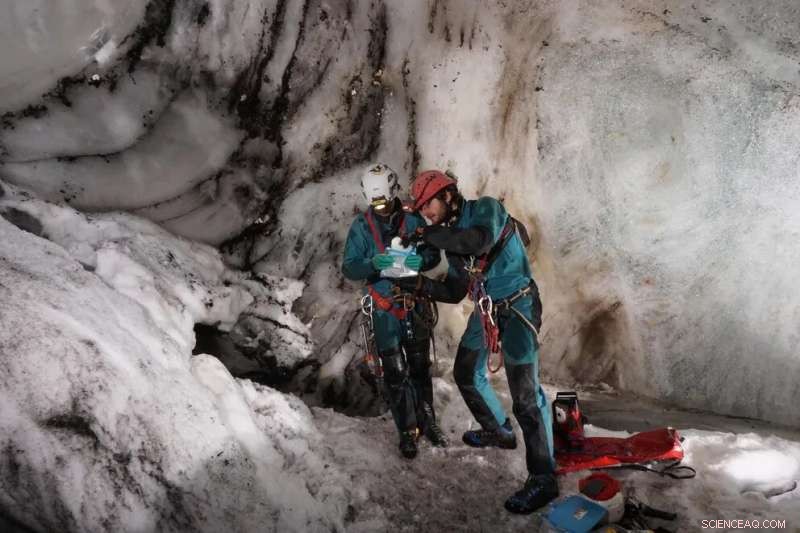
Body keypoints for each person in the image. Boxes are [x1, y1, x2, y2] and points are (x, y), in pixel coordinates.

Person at [400, 169, 558, 513]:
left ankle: (544, 478)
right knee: (466, 373)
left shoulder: (485, 209)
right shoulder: (451, 240)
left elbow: (479, 242)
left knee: (526, 397)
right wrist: (417, 285)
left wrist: (429, 234)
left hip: (518, 303)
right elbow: (456, 291)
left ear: (447, 196)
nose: (425, 212)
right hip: (487, 310)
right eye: (421, 208)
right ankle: (499, 431)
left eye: (428, 205)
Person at [341, 163, 448, 459]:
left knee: (419, 367)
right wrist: (372, 263)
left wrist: (420, 262)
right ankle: (407, 431)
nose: (381, 207)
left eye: (385, 201)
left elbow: (431, 252)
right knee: (395, 372)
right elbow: (349, 266)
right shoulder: (362, 228)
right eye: (375, 202)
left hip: (412, 303)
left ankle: (428, 423)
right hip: (385, 309)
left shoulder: (412, 220)